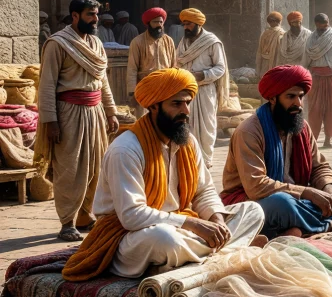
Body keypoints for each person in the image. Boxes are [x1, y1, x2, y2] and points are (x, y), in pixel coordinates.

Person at [60, 69, 266, 281]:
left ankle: (203, 255)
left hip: (184, 227)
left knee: (252, 210)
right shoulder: (126, 149)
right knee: (165, 238)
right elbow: (132, 216)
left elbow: (203, 191)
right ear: (153, 106)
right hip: (129, 236)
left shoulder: (188, 142)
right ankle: (225, 251)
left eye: (187, 102)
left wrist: (217, 220)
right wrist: (193, 225)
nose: (185, 110)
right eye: (176, 104)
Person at [222, 65, 332, 237]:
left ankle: (300, 226)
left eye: (300, 97)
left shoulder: (302, 127)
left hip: (299, 200)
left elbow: (319, 166)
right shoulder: (249, 131)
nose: (298, 104)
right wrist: (307, 192)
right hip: (252, 201)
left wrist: (328, 188)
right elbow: (256, 187)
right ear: (272, 98)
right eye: (290, 97)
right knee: (282, 204)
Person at [37, 0, 120, 241]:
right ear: (75, 16)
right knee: (70, 168)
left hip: (95, 112)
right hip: (68, 112)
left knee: (96, 166)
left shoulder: (96, 43)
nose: (95, 20)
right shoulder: (57, 44)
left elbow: (102, 81)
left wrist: (111, 111)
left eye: (96, 15)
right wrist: (51, 121)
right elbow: (47, 85)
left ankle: (85, 215)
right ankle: (67, 222)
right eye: (89, 15)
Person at [175, 9, 227, 164]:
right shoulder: (183, 42)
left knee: (206, 129)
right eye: (184, 24)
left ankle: (205, 161)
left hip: (204, 91)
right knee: (187, 125)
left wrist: (201, 75)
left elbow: (220, 68)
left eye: (189, 24)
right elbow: (178, 61)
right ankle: (190, 160)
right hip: (186, 91)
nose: (186, 27)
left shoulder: (212, 42)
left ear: (198, 23)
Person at [303, 13, 332, 147]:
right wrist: (303, 76)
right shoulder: (310, 39)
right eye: (320, 26)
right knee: (314, 108)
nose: (323, 28)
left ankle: (328, 139)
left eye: (325, 25)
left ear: (328, 23)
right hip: (315, 77)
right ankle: (313, 140)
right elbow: (305, 59)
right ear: (316, 24)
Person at [126, 8, 177, 119]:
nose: (159, 25)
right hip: (145, 89)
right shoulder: (137, 42)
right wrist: (132, 92)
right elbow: (132, 69)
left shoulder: (169, 41)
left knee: (165, 120)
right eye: (155, 22)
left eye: (161, 22)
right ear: (148, 23)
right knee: (145, 120)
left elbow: (174, 66)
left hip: (165, 88)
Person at [257, 12, 285, 79]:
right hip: (276, 62)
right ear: (279, 21)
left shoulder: (264, 33)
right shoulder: (281, 33)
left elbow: (259, 51)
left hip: (264, 63)